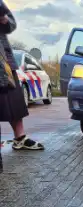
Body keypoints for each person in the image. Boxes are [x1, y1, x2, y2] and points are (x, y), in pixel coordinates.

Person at [0, 2, 44, 150]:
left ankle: (20, 137)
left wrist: (5, 20)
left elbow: (11, 23)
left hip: (3, 60)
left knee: (14, 101)